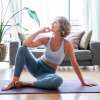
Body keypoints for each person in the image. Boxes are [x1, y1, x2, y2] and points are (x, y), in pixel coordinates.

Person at [2, 16, 96, 91]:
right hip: (36, 66)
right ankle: (14, 81)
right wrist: (40, 31)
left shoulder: (67, 45)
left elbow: (74, 63)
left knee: (58, 80)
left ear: (62, 28)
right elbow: (26, 43)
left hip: (47, 74)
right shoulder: (46, 39)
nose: (52, 24)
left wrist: (82, 81)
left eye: (55, 22)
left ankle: (27, 84)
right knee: (22, 48)